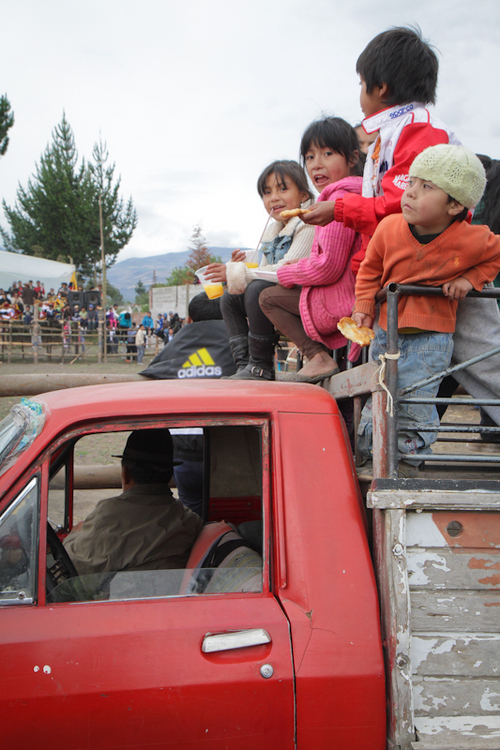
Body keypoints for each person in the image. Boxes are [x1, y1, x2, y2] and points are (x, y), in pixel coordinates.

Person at [300, 25, 500, 429]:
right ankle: (394, 451)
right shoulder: (390, 133)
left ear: (382, 87)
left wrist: (340, 209)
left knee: (487, 363)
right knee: (403, 373)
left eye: (361, 84)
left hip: (444, 262)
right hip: (410, 269)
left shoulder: (417, 129)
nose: (359, 94)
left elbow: (402, 204)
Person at [352, 145, 500, 473]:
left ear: (456, 204)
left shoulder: (472, 238)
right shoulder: (389, 229)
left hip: (432, 341)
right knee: (380, 395)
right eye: (411, 183)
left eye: (426, 187)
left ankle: (405, 462)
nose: (411, 194)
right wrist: (363, 306)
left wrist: (470, 279)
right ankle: (372, 456)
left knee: (414, 402)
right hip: (384, 334)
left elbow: (495, 255)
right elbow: (369, 270)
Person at [260, 117, 363, 384]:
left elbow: (327, 266)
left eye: (328, 153)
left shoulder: (338, 200)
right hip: (341, 294)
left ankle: (312, 357)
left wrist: (287, 272)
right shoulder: (338, 197)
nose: (317, 164)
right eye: (309, 157)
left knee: (265, 297)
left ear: (353, 158)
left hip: (341, 300)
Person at [205, 160, 315, 380]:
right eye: (267, 192)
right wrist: (241, 269)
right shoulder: (274, 231)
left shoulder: (308, 222)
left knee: (256, 289)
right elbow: (264, 270)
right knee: (230, 299)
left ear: (303, 195)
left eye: (283, 189)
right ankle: (245, 365)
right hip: (277, 298)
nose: (273, 197)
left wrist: (237, 272)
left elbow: (285, 270)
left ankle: (261, 366)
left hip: (306, 297)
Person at [64, 429, 203, 576]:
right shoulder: (190, 520)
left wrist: (74, 535)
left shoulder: (109, 516)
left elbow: (74, 566)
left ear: (125, 474)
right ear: (169, 476)